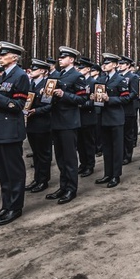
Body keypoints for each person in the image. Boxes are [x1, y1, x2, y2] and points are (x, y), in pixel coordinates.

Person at [0, 41, 30, 226]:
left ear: (14, 57)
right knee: (2, 171)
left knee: (14, 171)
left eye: (3, 54)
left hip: (11, 129)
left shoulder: (20, 76)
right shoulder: (3, 76)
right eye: (0, 55)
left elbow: (17, 105)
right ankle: (6, 204)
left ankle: (15, 207)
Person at [45, 46, 86, 205]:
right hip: (56, 120)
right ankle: (63, 186)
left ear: (72, 59)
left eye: (63, 57)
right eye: (60, 57)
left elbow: (82, 99)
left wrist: (64, 95)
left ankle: (71, 188)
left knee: (69, 158)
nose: (60, 59)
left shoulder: (77, 76)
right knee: (60, 158)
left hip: (69, 122)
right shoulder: (58, 75)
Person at [92, 53, 131, 188]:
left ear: (114, 65)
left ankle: (116, 175)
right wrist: (94, 97)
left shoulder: (121, 79)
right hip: (103, 117)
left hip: (115, 118)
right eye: (104, 63)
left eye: (107, 63)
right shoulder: (102, 79)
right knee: (107, 148)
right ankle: (107, 173)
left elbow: (126, 98)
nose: (104, 65)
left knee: (117, 148)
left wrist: (110, 99)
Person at [24, 59, 53, 193]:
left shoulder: (47, 84)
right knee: (35, 153)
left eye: (34, 69)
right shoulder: (30, 84)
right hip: (31, 123)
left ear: (42, 71)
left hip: (43, 123)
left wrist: (36, 111)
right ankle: (36, 179)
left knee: (43, 154)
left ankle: (43, 180)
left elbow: (49, 106)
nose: (31, 71)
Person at [76, 57, 98, 176]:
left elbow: (95, 100)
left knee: (88, 143)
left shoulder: (93, 83)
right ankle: (83, 163)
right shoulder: (79, 81)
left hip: (88, 116)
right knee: (80, 143)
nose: (79, 70)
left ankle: (90, 165)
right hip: (78, 116)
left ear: (88, 69)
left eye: (81, 68)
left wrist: (82, 104)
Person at [118, 56, 139, 165]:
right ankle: (121, 154)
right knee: (120, 135)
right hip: (118, 109)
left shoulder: (132, 77)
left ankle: (127, 155)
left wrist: (123, 99)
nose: (119, 65)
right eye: (119, 63)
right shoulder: (117, 76)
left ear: (127, 65)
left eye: (122, 64)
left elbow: (134, 93)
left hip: (128, 109)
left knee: (128, 134)